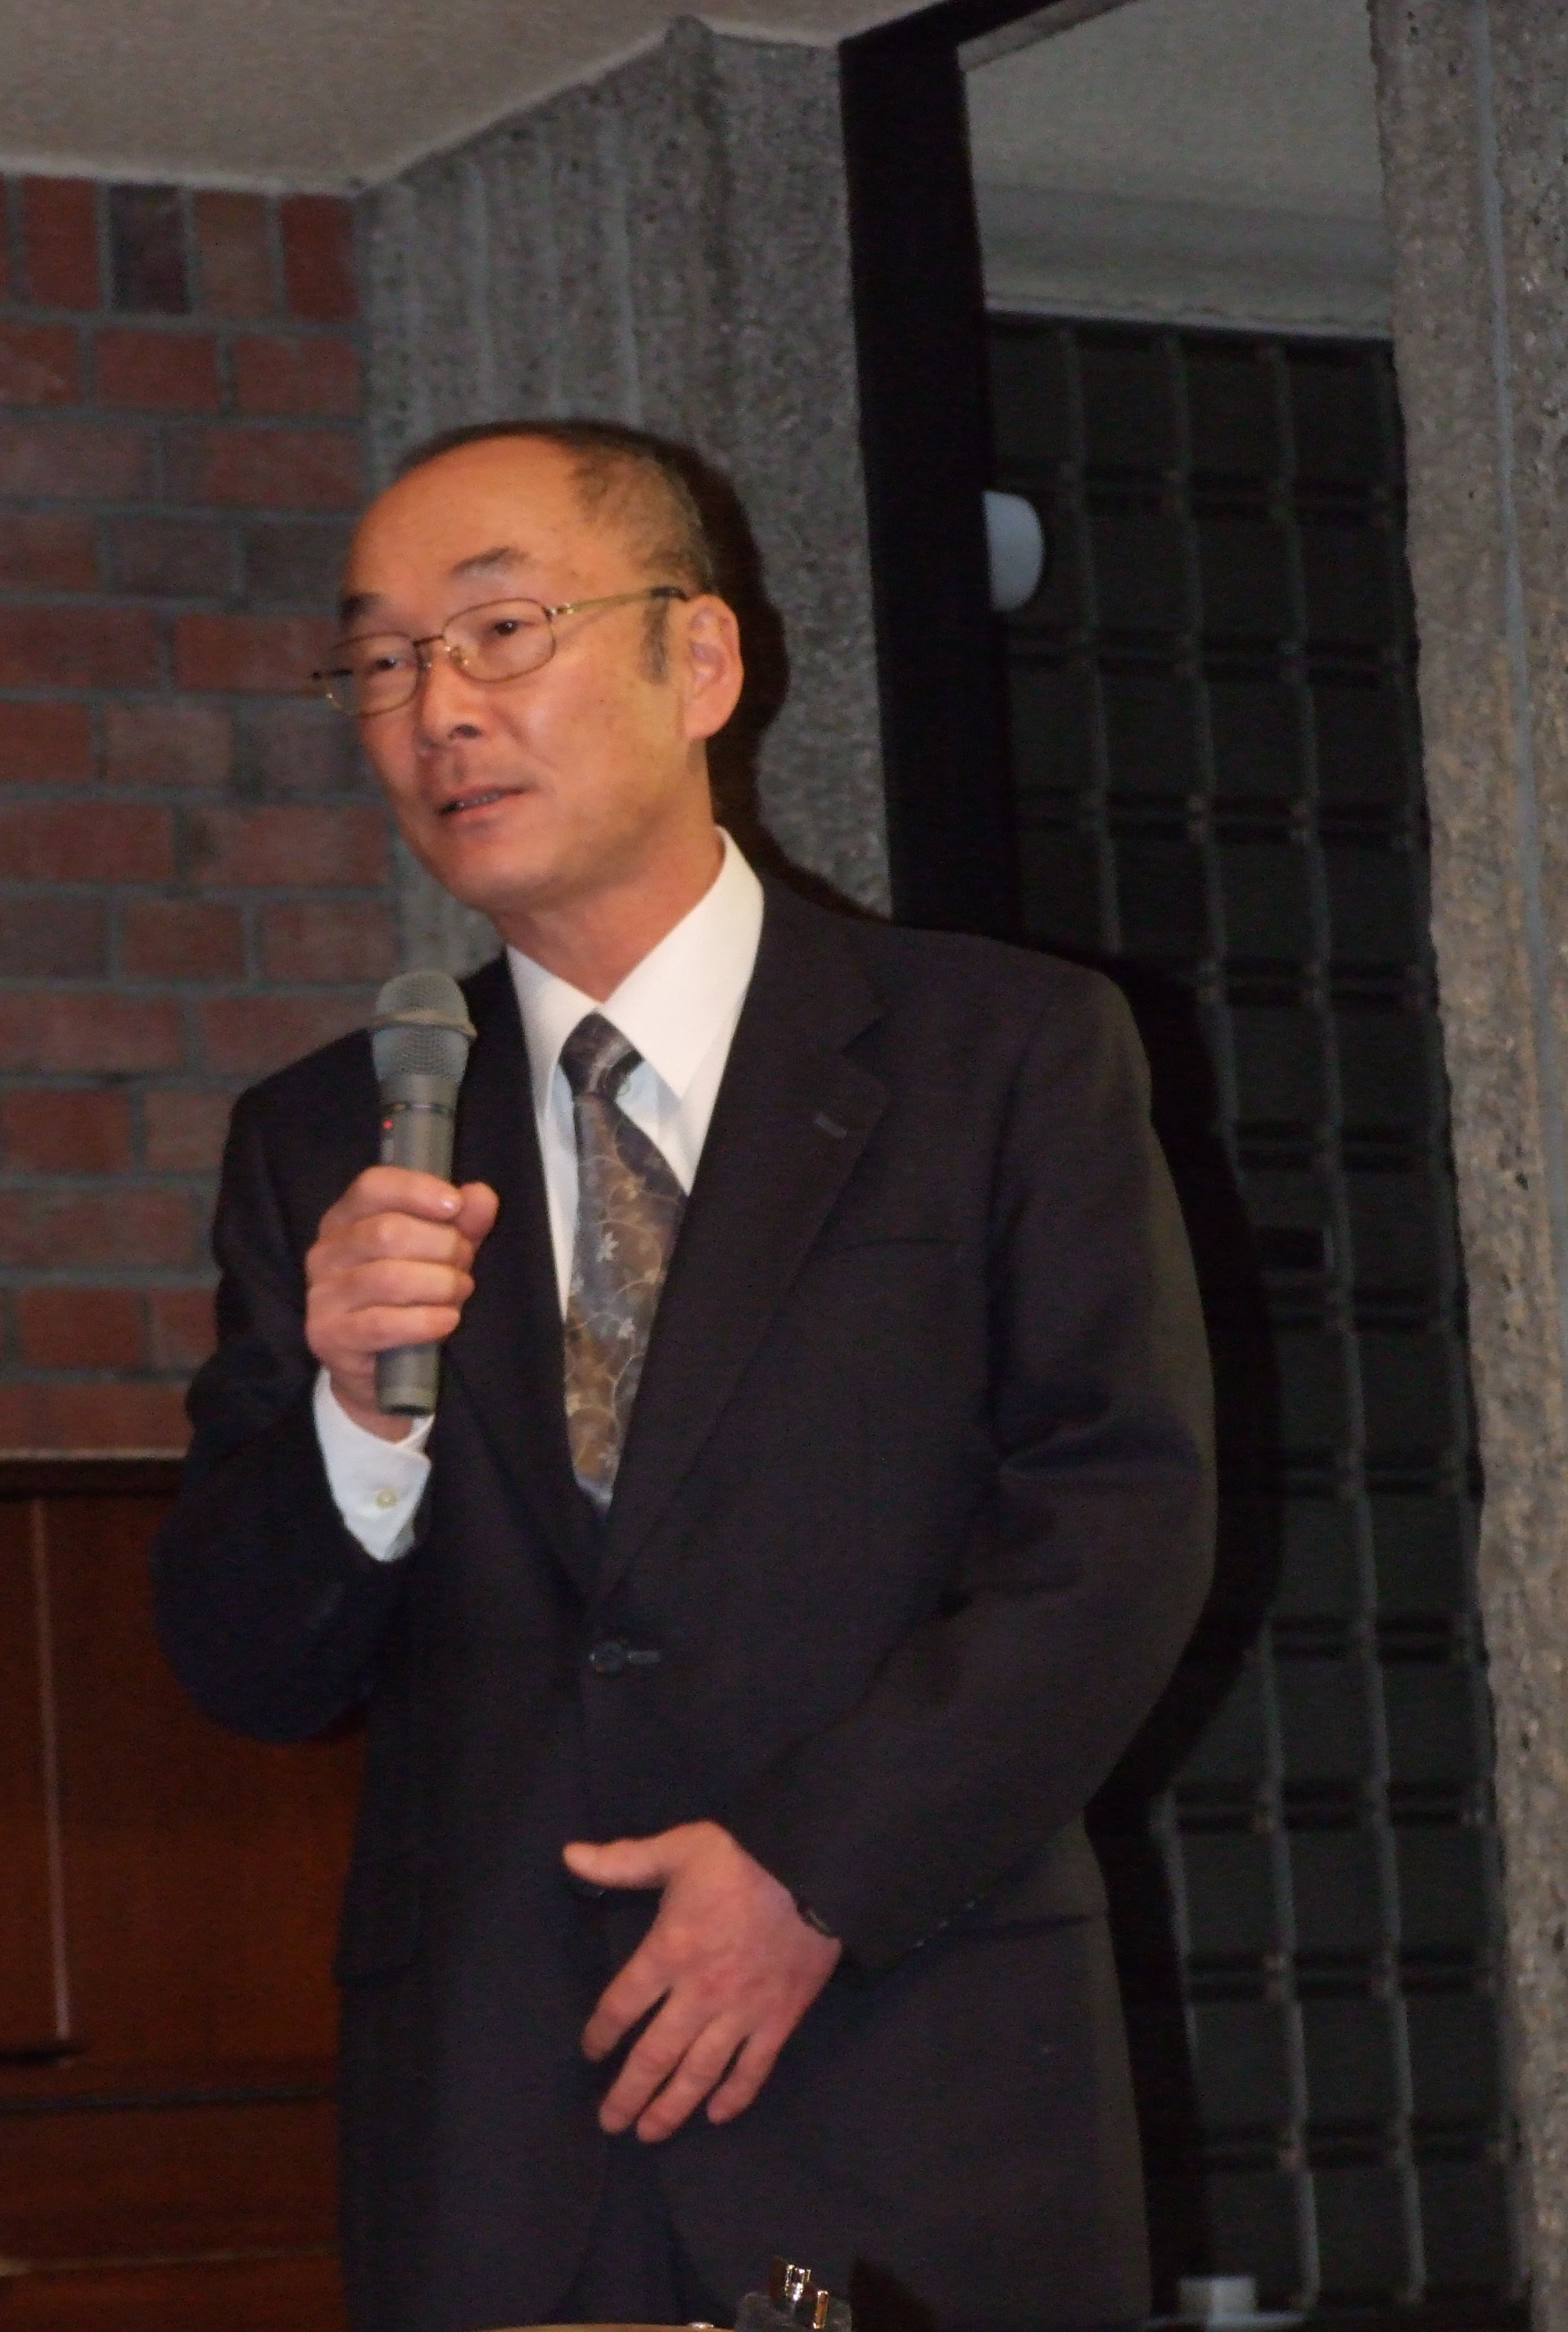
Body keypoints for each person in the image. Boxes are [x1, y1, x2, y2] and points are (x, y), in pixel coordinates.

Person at [151, 419, 1214, 2332]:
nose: (434, 712)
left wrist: (815, 1867)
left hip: (913, 2064)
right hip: (495, 2119)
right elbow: (246, 1658)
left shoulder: (1005, 1054)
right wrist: (353, 1415)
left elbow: (1117, 1523)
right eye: (382, 664)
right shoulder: (323, 1137)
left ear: (701, 662)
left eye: (499, 631)